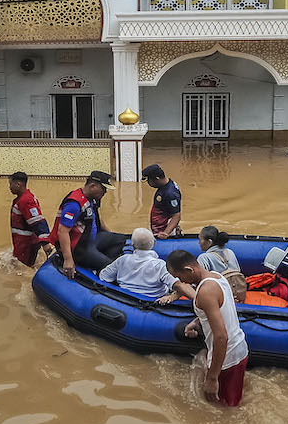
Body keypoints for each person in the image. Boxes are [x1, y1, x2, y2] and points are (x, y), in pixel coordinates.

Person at [166, 249, 250, 407]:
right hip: (240, 349)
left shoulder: (204, 292)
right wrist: (197, 321)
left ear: (189, 270)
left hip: (228, 358)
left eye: (179, 276)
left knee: (225, 409)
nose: (181, 281)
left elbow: (221, 337)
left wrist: (212, 378)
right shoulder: (217, 276)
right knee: (233, 398)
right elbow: (220, 308)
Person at [46, 171, 129, 277]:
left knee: (120, 239)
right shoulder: (74, 204)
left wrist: (110, 234)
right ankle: (103, 269)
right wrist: (68, 259)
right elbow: (62, 231)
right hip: (79, 249)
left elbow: (97, 218)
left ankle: (103, 260)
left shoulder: (93, 199)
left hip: (91, 240)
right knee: (111, 267)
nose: (105, 192)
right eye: (104, 189)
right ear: (93, 186)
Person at [100, 228, 180, 303]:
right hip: (155, 301)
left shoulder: (123, 260)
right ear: (154, 243)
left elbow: (104, 277)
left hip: (126, 300)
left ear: (133, 245)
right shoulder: (160, 265)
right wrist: (172, 297)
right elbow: (177, 285)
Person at [8, 171, 51, 267]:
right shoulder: (23, 198)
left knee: (23, 268)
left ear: (18, 184)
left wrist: (45, 243)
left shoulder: (25, 200)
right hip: (23, 243)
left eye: (11, 184)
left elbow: (37, 221)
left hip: (26, 244)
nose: (9, 187)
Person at [142, 163, 183, 239]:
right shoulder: (166, 186)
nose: (148, 183)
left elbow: (176, 215)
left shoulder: (170, 194)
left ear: (157, 178)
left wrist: (165, 233)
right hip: (159, 230)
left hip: (165, 233)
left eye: (149, 180)